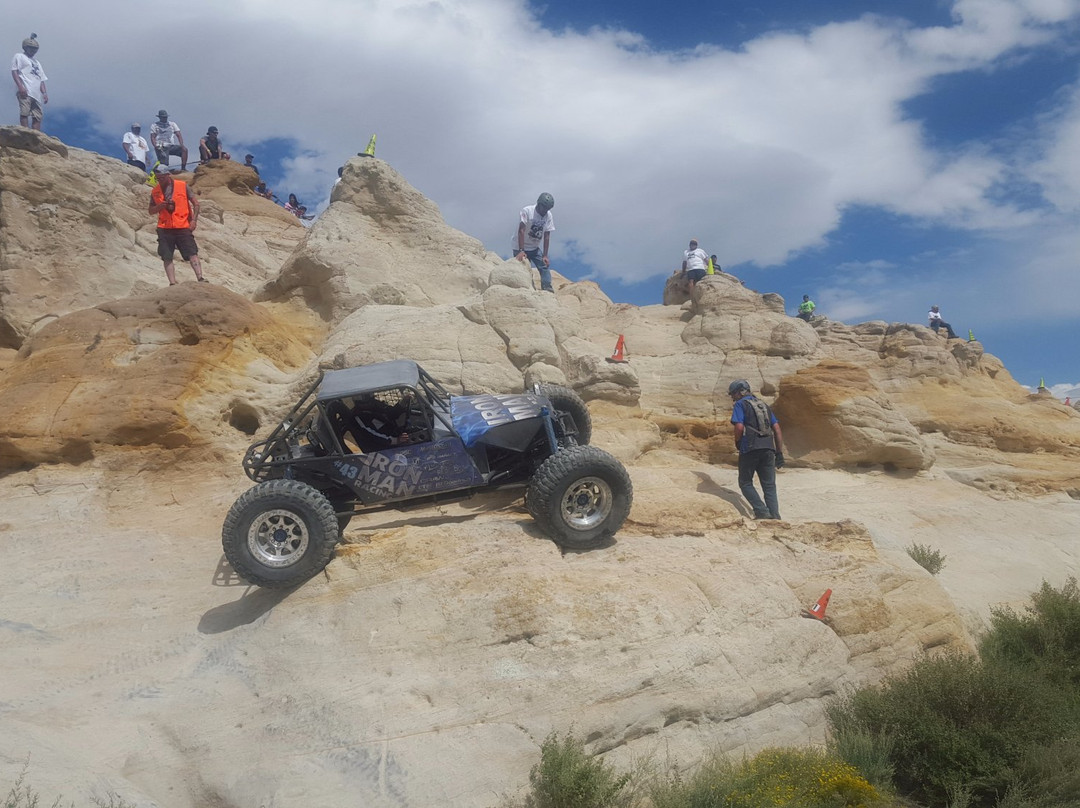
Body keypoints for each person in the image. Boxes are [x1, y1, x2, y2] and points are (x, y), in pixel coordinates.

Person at [729, 379, 785, 520]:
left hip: (750, 447)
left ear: (739, 392)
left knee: (745, 482)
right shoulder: (764, 405)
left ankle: (762, 512)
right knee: (769, 485)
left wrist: (738, 441)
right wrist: (779, 452)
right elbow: (777, 429)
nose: (732, 397)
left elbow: (739, 427)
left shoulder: (740, 404)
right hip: (768, 448)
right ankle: (775, 515)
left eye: (733, 394)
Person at [149, 164, 206, 285]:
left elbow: (196, 204)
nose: (160, 181)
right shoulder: (155, 191)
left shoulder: (182, 186)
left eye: (162, 178)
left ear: (168, 175)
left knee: (192, 252)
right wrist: (160, 206)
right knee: (167, 255)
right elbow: (150, 211)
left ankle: (200, 278)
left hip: (183, 225)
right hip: (164, 227)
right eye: (158, 178)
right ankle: (172, 283)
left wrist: (194, 220)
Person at [512, 192, 555, 292]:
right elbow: (521, 230)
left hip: (534, 248)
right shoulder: (527, 211)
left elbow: (547, 235)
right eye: (544, 208)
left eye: (547, 209)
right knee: (524, 268)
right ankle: (526, 289)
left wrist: (545, 255)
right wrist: (521, 250)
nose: (545, 211)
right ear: (539, 204)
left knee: (544, 267)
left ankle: (547, 288)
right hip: (519, 246)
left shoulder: (548, 215)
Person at [11, 34, 47, 131]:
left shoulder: (37, 62)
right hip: (26, 89)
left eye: (35, 49)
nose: (33, 51)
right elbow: (15, 71)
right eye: (31, 48)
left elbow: (41, 79)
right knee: (25, 112)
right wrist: (20, 87)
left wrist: (44, 93)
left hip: (36, 94)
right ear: (25, 47)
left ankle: (36, 135)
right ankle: (25, 132)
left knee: (37, 116)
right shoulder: (19, 56)